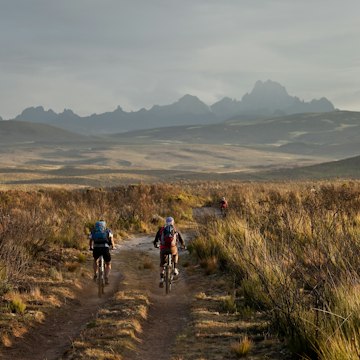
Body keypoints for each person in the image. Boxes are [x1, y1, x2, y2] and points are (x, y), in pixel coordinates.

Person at [153, 216, 185, 288]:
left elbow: (156, 240)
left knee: (162, 263)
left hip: (163, 249)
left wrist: (156, 244)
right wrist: (183, 245)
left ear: (166, 222)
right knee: (176, 254)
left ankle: (161, 279)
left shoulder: (161, 229)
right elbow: (181, 240)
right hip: (172, 249)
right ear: (173, 222)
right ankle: (175, 268)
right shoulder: (175, 229)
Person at [89, 220, 114, 285]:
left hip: (96, 249)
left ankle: (95, 275)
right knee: (108, 264)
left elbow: (91, 240)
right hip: (105, 248)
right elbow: (111, 239)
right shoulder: (108, 230)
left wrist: (91, 247)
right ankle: (106, 277)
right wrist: (113, 246)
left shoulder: (93, 231)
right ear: (104, 225)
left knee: (95, 260)